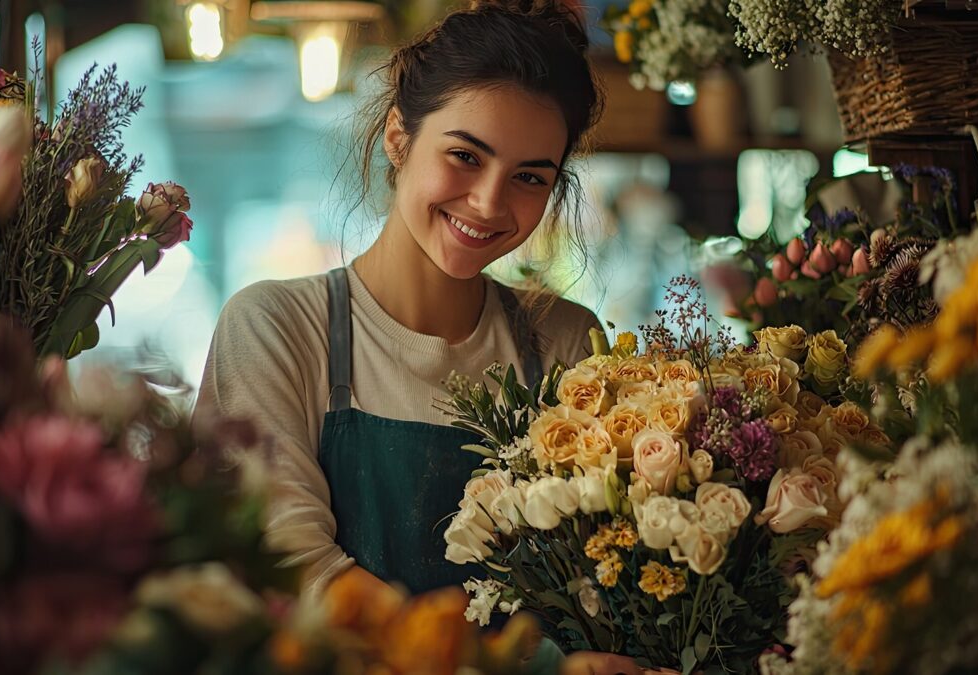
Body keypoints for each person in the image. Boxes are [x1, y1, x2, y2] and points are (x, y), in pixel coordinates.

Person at [196, 2, 669, 673]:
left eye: (531, 177)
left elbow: (605, 577)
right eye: (464, 156)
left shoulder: (565, 342)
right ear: (397, 136)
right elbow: (291, 568)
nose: (488, 202)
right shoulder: (276, 329)